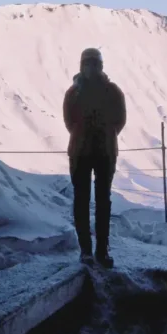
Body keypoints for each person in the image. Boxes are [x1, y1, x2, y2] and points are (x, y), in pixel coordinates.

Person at [63, 47, 126, 268]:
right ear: (82, 65)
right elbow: (69, 121)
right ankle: (86, 251)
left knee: (101, 202)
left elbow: (119, 120)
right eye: (88, 63)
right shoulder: (74, 93)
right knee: (82, 201)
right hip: (83, 152)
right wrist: (92, 135)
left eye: (94, 63)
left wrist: (103, 136)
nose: (91, 67)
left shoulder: (112, 91)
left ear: (100, 66)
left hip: (102, 152)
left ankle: (100, 250)